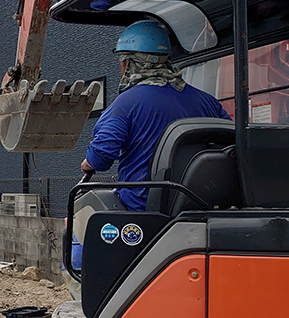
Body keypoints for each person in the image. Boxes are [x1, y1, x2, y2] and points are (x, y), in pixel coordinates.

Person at [81, 20, 231, 211]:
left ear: (129, 63)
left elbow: (102, 155)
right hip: (198, 205)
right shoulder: (207, 101)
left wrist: (87, 164)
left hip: (143, 208)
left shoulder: (126, 103)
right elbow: (230, 141)